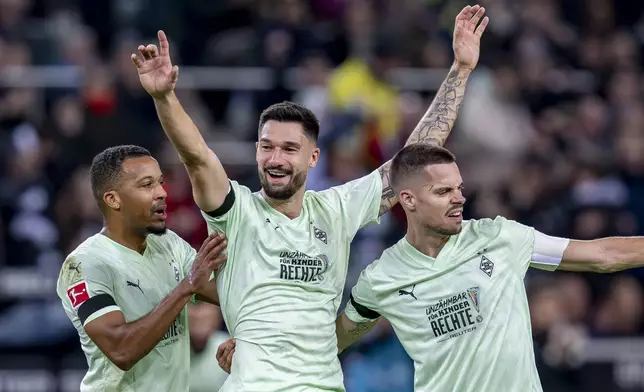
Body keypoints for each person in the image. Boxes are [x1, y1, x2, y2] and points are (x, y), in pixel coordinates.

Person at [131, 5, 488, 391]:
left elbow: (416, 157)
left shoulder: (335, 209)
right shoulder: (237, 211)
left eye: (289, 148)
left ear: (313, 157)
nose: (276, 159)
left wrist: (461, 70)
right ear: (255, 152)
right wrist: (165, 97)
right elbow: (197, 156)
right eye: (267, 147)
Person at [332, 143, 644, 392]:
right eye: (443, 192)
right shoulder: (381, 277)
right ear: (409, 200)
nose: (459, 199)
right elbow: (337, 338)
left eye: (459, 188)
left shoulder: (500, 237)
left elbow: (601, 254)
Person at [56, 145, 227, 392]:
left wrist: (245, 337)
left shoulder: (169, 243)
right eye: (147, 185)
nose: (162, 193)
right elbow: (122, 350)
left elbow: (229, 293)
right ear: (113, 199)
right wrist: (186, 288)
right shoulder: (84, 265)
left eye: (160, 182)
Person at [188, 303, 230, 392]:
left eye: (204, 321)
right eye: (194, 321)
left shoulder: (229, 348)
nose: (199, 329)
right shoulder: (175, 352)